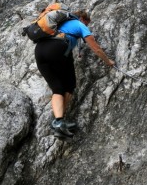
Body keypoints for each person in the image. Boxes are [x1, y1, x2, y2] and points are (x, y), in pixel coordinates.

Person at [34, 9, 115, 138]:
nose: (86, 27)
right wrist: (108, 61)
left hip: (39, 51)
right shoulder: (79, 24)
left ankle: (58, 121)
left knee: (57, 88)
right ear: (83, 19)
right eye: (87, 24)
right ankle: (59, 122)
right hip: (57, 49)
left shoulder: (59, 25)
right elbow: (96, 48)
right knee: (70, 85)